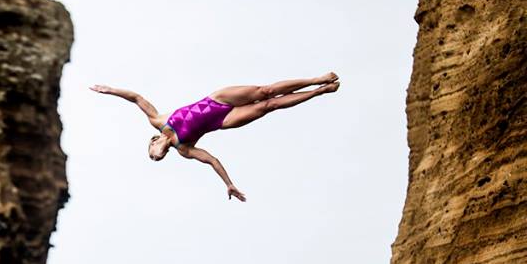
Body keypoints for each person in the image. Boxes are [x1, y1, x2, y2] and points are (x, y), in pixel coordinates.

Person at [90, 73, 340, 202]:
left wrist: (110, 90)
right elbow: (212, 160)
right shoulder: (184, 148)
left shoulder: (158, 120)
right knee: (268, 106)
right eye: (162, 157)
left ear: (153, 142)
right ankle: (319, 92)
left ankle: (316, 79)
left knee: (266, 91)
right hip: (223, 121)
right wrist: (228, 183)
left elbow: (136, 98)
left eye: (156, 153)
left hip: (218, 100)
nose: (162, 154)